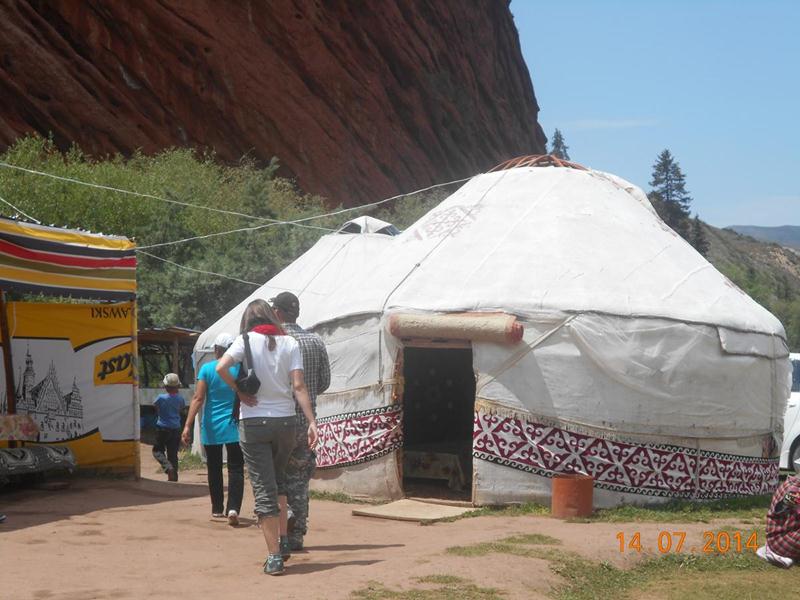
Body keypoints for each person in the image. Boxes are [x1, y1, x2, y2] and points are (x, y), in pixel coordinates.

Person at [215, 299, 318, 576]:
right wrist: (311, 421)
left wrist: (238, 390)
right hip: (286, 421)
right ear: (273, 317)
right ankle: (283, 540)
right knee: (280, 480)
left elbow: (220, 367)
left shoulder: (244, 340)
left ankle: (274, 557)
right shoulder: (290, 343)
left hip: (254, 423)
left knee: (264, 489)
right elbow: (298, 385)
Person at [270, 291, 330, 551]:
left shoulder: (275, 340)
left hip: (280, 419)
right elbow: (325, 381)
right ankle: (297, 535)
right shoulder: (316, 341)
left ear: (278, 312)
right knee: (300, 479)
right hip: (307, 422)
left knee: (275, 477)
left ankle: (284, 527)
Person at [182, 333, 244, 525]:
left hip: (211, 425)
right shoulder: (240, 369)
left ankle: (217, 508)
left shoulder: (207, 369)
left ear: (217, 349)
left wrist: (187, 425)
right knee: (235, 468)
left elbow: (198, 398)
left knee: (214, 467)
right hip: (234, 423)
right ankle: (233, 507)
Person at [757, 475, 800, 568]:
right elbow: (780, 508)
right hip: (779, 539)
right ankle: (771, 552)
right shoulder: (793, 489)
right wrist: (787, 501)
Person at [152, 373, 186, 482]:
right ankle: (173, 477)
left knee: (157, 450)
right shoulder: (180, 399)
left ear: (165, 387)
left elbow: (155, 406)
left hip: (162, 428)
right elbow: (181, 408)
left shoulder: (160, 398)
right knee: (173, 454)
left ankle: (168, 468)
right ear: (178, 386)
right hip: (176, 429)